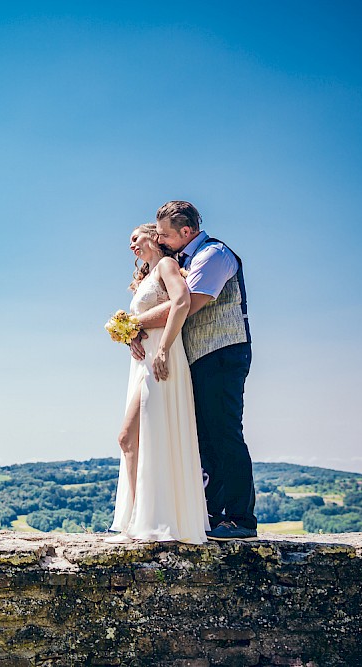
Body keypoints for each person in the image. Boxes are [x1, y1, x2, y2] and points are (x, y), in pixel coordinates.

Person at [129, 201, 257, 541]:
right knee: (202, 438)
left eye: (167, 235)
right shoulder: (181, 260)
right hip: (198, 358)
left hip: (222, 352)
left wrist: (131, 323)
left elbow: (189, 303)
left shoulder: (214, 255)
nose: (162, 240)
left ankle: (240, 518)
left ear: (187, 232)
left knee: (224, 432)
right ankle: (211, 514)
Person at [106, 223, 209, 544]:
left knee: (131, 437)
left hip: (160, 359)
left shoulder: (166, 265)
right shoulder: (144, 279)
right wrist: (130, 336)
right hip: (142, 361)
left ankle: (143, 522)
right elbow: (145, 319)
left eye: (135, 237)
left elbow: (182, 301)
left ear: (154, 236)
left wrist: (161, 347)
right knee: (136, 439)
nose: (131, 245)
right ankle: (137, 521)